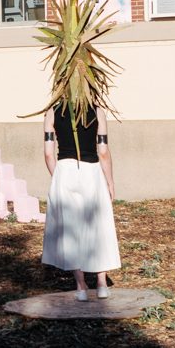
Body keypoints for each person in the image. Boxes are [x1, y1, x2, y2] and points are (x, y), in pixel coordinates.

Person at [42, 99, 119, 301]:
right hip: (91, 171)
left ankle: (81, 286)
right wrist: (110, 181)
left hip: (64, 170)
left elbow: (49, 153)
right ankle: (101, 283)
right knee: (98, 224)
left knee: (70, 226)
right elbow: (103, 151)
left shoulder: (53, 112)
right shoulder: (97, 111)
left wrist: (58, 177)